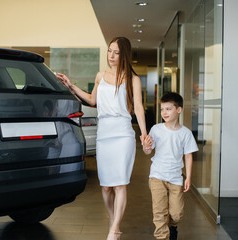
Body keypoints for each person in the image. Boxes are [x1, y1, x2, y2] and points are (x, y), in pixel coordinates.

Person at [56, 37, 147, 240]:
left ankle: (114, 231)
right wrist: (71, 86)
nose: (111, 56)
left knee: (120, 183)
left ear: (124, 55)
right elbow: (91, 100)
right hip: (104, 134)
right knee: (106, 186)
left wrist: (143, 133)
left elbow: (138, 108)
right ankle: (113, 221)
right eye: (109, 51)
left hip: (123, 133)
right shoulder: (100, 76)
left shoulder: (133, 79)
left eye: (116, 52)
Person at [143, 92, 198, 240]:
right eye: (162, 109)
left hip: (175, 177)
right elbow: (148, 151)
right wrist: (146, 146)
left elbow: (188, 156)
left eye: (168, 109)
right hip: (157, 175)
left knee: (177, 214)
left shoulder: (186, 133)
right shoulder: (156, 129)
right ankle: (163, 236)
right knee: (159, 212)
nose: (164, 112)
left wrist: (188, 178)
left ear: (178, 110)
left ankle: (172, 226)